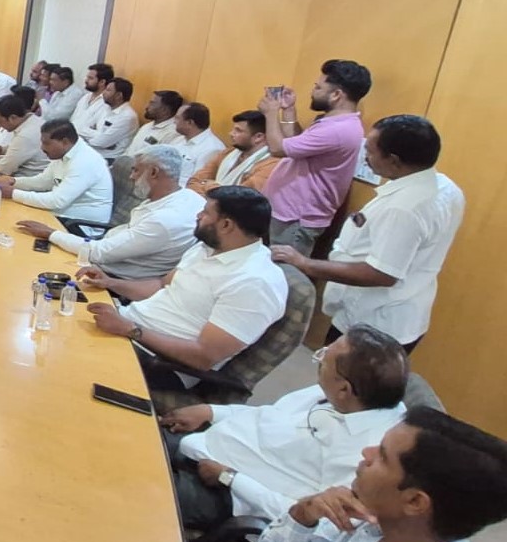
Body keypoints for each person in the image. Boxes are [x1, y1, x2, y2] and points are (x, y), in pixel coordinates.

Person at [161, 325, 409, 528]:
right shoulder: (345, 396)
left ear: (344, 389)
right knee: (137, 440)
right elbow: (272, 415)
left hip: (227, 496)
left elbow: (306, 515)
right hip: (204, 444)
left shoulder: (367, 455)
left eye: (324, 359)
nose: (319, 360)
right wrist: (212, 411)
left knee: (142, 493)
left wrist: (230, 478)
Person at [271, 116, 463, 353]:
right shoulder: (445, 186)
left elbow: (381, 274)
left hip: (374, 321)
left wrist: (304, 263)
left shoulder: (403, 209)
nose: (364, 158)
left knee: (336, 373)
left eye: (370, 152)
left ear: (394, 160)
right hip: (401, 311)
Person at [83, 186, 288, 386]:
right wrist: (110, 282)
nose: (198, 216)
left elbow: (204, 356)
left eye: (205, 213)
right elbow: (162, 286)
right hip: (129, 326)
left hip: (159, 362)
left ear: (226, 225)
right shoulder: (206, 248)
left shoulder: (255, 283)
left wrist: (132, 330)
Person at [258, 406, 507, 542]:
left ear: (414, 501)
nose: (366, 453)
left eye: (382, 456)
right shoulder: (373, 521)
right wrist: (305, 513)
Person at [18, 145, 204, 278]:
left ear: (154, 172)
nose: (131, 177)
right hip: (106, 253)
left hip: (111, 275)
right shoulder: (191, 198)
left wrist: (50, 233)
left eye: (136, 171)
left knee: (28, 267)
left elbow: (99, 253)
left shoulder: (164, 220)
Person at [259, 59, 373, 254]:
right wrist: (288, 111)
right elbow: (296, 144)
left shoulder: (338, 129)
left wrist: (271, 114)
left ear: (336, 95)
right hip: (286, 213)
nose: (313, 91)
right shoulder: (334, 123)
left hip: (296, 220)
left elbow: (277, 148)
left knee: (284, 268)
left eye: (318, 87)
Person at [0, 119, 113, 222]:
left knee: (10, 219)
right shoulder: (65, 153)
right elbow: (43, 182)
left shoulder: (85, 162)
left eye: (46, 143)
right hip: (59, 215)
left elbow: (57, 201)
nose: (42, 148)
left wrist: (13, 193)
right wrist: (13, 181)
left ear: (64, 142)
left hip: (78, 226)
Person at [187, 109, 281, 196]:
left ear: (258, 137)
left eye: (238, 131)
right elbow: (194, 181)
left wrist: (208, 186)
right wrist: (214, 191)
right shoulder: (229, 152)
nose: (231, 134)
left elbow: (240, 197)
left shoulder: (271, 164)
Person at [78, 78, 140, 160]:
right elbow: (81, 127)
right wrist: (100, 134)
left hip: (108, 158)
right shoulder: (105, 107)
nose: (103, 93)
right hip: (91, 152)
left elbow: (100, 142)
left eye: (108, 90)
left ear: (119, 95)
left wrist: (89, 135)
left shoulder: (128, 117)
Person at [175, 102, 227, 186]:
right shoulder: (179, 139)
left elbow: (197, 183)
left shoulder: (212, 148)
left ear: (189, 122)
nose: (174, 122)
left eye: (177, 118)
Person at [125, 90, 187, 157]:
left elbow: (161, 159)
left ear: (165, 110)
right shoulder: (147, 126)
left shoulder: (173, 132)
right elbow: (129, 151)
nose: (147, 107)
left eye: (152, 103)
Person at [70, 63, 114, 133]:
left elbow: (100, 133)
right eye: (87, 77)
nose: (86, 81)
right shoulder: (85, 97)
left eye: (90, 78)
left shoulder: (106, 104)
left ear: (102, 82)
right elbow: (73, 120)